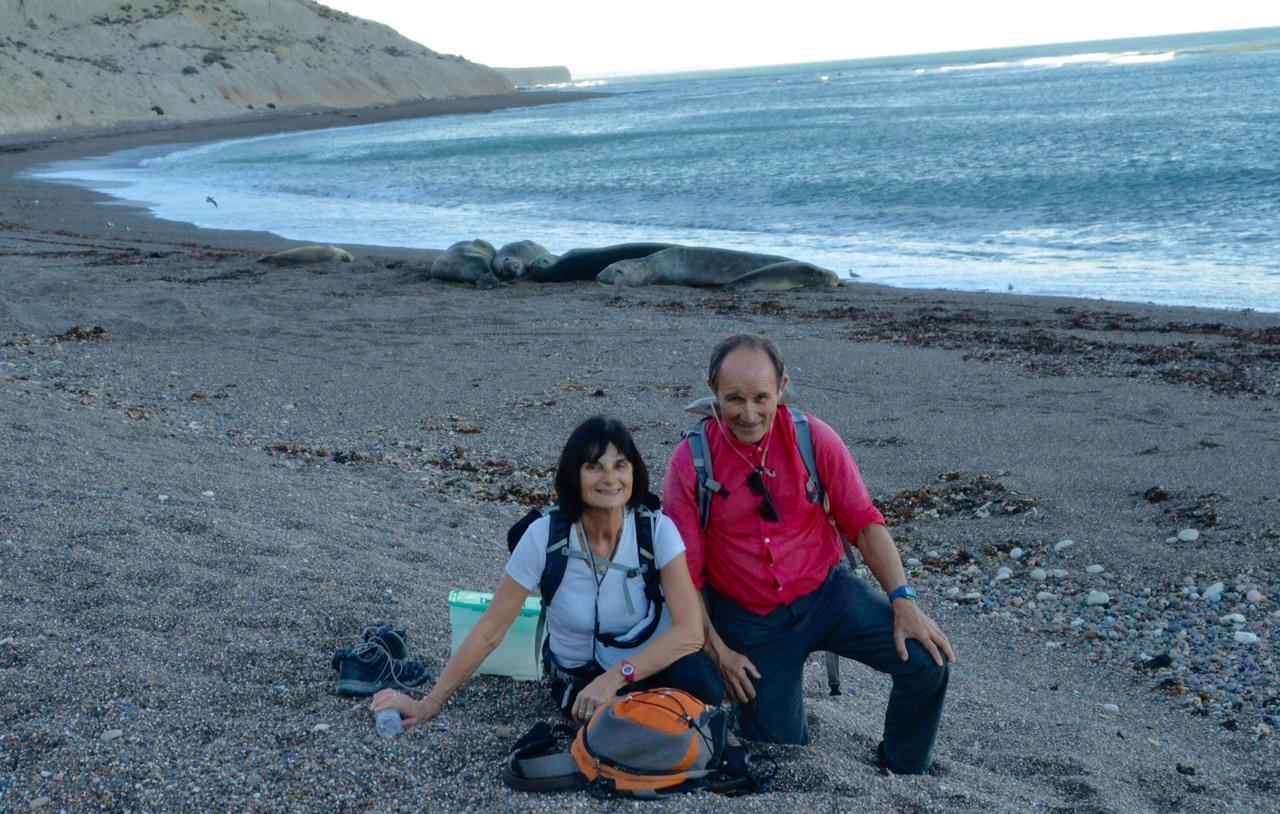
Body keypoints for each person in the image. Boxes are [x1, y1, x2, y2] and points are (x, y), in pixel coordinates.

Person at [662, 334, 955, 775]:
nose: (748, 413)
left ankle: (903, 766)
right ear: (713, 389)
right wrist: (718, 651)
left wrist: (904, 601)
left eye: (761, 397)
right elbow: (687, 577)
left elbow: (863, 521)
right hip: (750, 618)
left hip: (827, 595)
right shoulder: (691, 461)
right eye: (734, 398)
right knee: (781, 750)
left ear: (782, 387)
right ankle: (777, 714)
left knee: (926, 659)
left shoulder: (813, 437)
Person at [373, 415, 722, 729]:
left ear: (635, 472)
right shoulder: (544, 536)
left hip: (642, 668)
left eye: (621, 465)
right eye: (594, 467)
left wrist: (617, 677)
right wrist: (429, 703)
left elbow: (690, 632)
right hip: (579, 679)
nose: (610, 479)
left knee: (702, 684)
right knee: (614, 725)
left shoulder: (656, 530)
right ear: (574, 474)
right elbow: (491, 629)